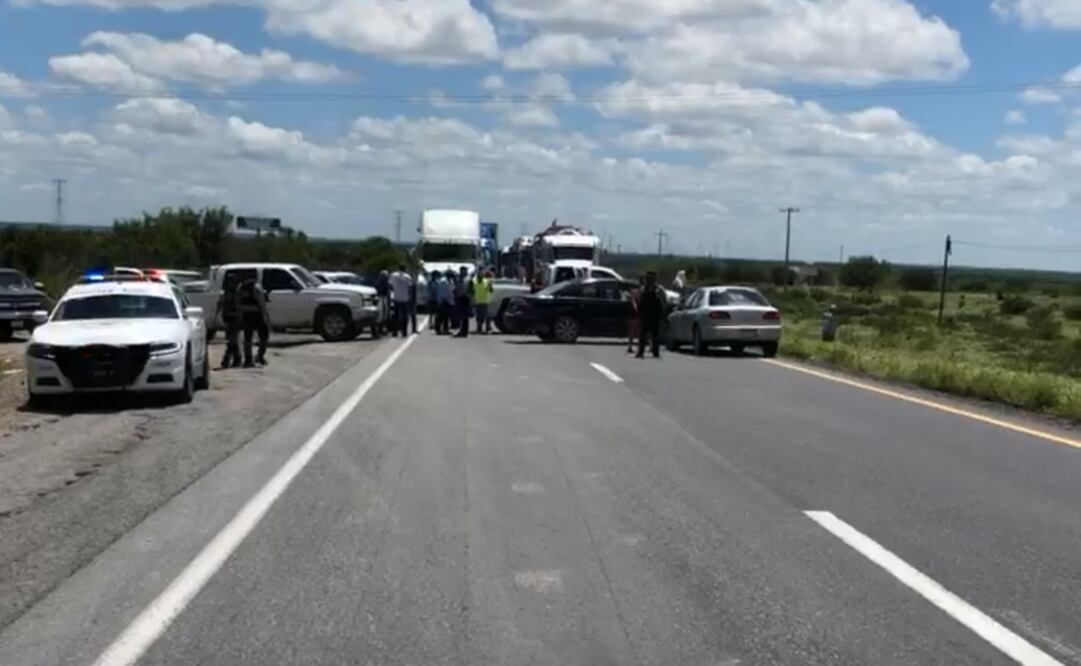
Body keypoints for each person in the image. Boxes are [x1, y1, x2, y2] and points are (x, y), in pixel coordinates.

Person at [237, 274, 269, 367]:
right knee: (264, 336)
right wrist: (265, 316)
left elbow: (238, 303)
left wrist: (241, 313)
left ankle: (248, 359)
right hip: (257, 315)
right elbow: (262, 304)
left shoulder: (241, 287)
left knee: (248, 338)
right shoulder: (256, 288)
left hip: (246, 315)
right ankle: (260, 356)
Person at [636, 271, 666, 359]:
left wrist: (662, 315)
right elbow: (639, 302)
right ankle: (640, 352)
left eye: (651, 278)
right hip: (645, 314)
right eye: (648, 278)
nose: (649, 280)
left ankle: (655, 352)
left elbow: (663, 302)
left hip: (655, 315)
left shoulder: (659, 289)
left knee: (655, 335)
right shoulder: (643, 289)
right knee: (642, 335)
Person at [216, 273, 241, 368]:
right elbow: (220, 305)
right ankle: (234, 359)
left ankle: (230, 360)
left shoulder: (237, 293)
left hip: (234, 318)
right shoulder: (226, 293)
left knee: (232, 341)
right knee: (232, 341)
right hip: (229, 318)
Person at [388, 264, 413, 337]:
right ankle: (404, 332)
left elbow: (390, 285)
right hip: (405, 298)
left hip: (396, 298)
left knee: (395, 316)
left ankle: (395, 332)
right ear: (405, 269)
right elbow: (410, 287)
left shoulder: (393, 275)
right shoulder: (408, 277)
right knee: (404, 317)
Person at [471, 270, 494, 334]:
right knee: (479, 316)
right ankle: (479, 328)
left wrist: (490, 286)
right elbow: (472, 290)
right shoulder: (474, 282)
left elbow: (491, 290)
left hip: (485, 301)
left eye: (481, 275)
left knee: (486, 316)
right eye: (479, 275)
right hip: (478, 301)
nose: (480, 277)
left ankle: (487, 328)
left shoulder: (487, 281)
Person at [454, 266, 471, 338]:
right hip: (459, 298)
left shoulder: (468, 279)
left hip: (466, 298)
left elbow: (471, 290)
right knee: (460, 316)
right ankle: (461, 331)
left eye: (465, 271)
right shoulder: (458, 279)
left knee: (465, 316)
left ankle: (465, 332)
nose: (465, 272)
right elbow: (455, 289)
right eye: (463, 271)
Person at [626, 279, 641, 354]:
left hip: (634, 315)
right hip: (635, 315)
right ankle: (634, 347)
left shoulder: (630, 295)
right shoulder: (636, 294)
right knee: (637, 331)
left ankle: (631, 346)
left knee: (633, 331)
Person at [375, 270, 390, 336]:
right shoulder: (380, 283)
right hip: (381, 298)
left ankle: (382, 329)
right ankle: (379, 329)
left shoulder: (385, 283)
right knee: (381, 314)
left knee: (384, 314)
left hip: (384, 298)